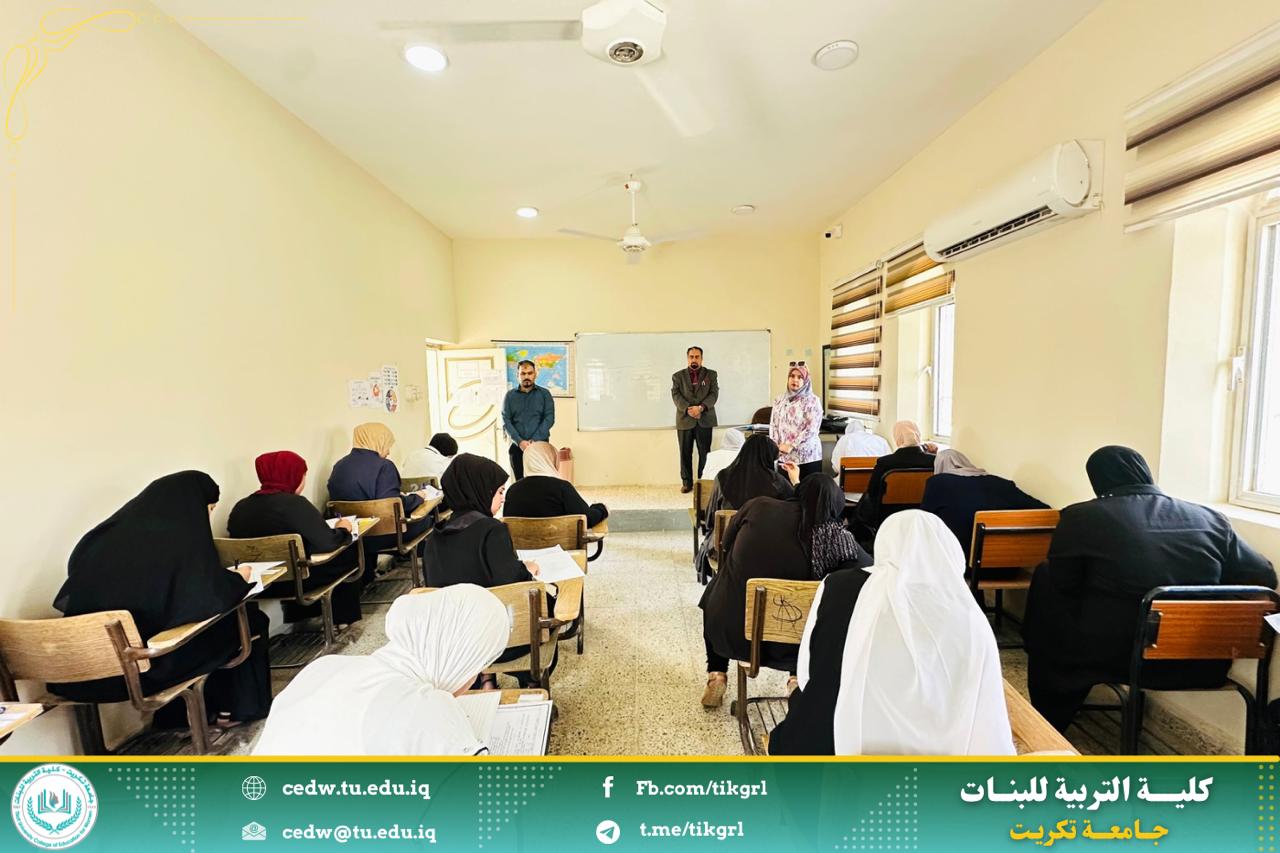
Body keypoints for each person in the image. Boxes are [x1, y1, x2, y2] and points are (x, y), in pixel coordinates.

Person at [1023, 445, 1277, 733]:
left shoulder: (1081, 517)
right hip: (1204, 661)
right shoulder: (1210, 517)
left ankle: (1046, 722)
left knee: (1047, 584)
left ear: (1097, 480)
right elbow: (1263, 576)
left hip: (1117, 658)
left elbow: (1064, 584)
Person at [772, 510, 1014, 755]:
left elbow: (807, 672)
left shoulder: (837, 586)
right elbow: (983, 705)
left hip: (836, 742)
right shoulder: (970, 616)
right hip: (936, 754)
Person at [49, 472, 272, 728]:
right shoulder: (181, 541)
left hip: (77, 672)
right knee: (248, 621)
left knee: (171, 631)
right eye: (209, 509)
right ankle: (236, 711)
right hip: (141, 671)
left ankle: (181, 715)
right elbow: (209, 599)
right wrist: (239, 578)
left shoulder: (99, 539)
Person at [252, 585, 508, 756]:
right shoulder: (427, 708)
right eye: (477, 666)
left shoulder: (322, 666)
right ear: (460, 660)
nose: (474, 677)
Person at [698, 475, 871, 708]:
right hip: (795, 641)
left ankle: (717, 673)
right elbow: (868, 569)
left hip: (734, 630)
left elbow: (725, 545)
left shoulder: (758, 506)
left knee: (718, 590)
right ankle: (796, 679)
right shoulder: (836, 537)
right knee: (808, 602)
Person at [227, 450, 363, 628]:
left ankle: (299, 617)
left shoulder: (240, 507)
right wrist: (343, 529)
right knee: (348, 552)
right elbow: (328, 543)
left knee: (297, 563)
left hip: (258, 584)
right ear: (293, 476)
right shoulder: (294, 504)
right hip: (298, 583)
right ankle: (342, 619)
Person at [328, 422, 432, 582]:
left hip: (353, 537)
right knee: (427, 520)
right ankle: (428, 577)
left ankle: (370, 576)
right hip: (385, 535)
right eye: (387, 445)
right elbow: (391, 506)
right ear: (378, 441)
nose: (388, 452)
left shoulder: (339, 466)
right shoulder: (384, 466)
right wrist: (418, 497)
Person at [424, 454, 540, 588]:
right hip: (487, 600)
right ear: (482, 491)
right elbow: (512, 583)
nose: (503, 499)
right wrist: (528, 569)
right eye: (500, 492)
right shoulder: (492, 530)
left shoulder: (434, 538)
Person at [919, 449, 1048, 559]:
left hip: (957, 562)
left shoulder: (937, 483)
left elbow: (923, 520)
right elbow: (1044, 511)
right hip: (1009, 564)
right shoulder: (1001, 483)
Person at [850, 419, 937, 547]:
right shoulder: (933, 461)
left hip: (888, 515)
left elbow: (873, 491)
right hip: (921, 512)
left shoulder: (885, 462)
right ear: (918, 435)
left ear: (897, 438)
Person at [504, 441, 608, 528]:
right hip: (558, 546)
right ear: (552, 460)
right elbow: (587, 519)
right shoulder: (562, 487)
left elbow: (507, 524)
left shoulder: (512, 491)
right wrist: (601, 509)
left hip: (522, 547)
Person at [672, 346, 719, 494]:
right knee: (685, 453)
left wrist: (701, 408)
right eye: (691, 357)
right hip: (684, 419)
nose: (694, 359)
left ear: (701, 358)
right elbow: (676, 395)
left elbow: (714, 394)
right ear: (687, 358)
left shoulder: (711, 375)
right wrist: (689, 409)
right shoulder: (677, 376)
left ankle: (702, 483)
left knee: (704, 453)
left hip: (705, 419)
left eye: (697, 357)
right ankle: (687, 483)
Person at [770, 362, 825, 480]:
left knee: (807, 490)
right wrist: (775, 447)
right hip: (783, 457)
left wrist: (791, 445)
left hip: (807, 458)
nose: (795, 380)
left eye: (800, 377)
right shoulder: (779, 400)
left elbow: (811, 429)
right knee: (785, 490)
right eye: (792, 376)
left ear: (805, 380)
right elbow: (773, 425)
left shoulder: (812, 401)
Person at [502, 360, 555, 480]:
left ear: (535, 374)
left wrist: (533, 441)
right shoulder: (509, 396)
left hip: (540, 446)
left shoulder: (545, 394)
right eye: (523, 373)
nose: (526, 376)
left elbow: (549, 418)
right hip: (517, 447)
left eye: (530, 373)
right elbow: (506, 420)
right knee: (520, 483)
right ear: (517, 375)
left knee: (540, 481)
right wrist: (520, 442)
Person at [830, 421, 891, 500]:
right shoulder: (881, 441)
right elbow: (889, 467)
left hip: (848, 493)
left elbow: (836, 467)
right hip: (875, 493)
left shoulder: (844, 439)